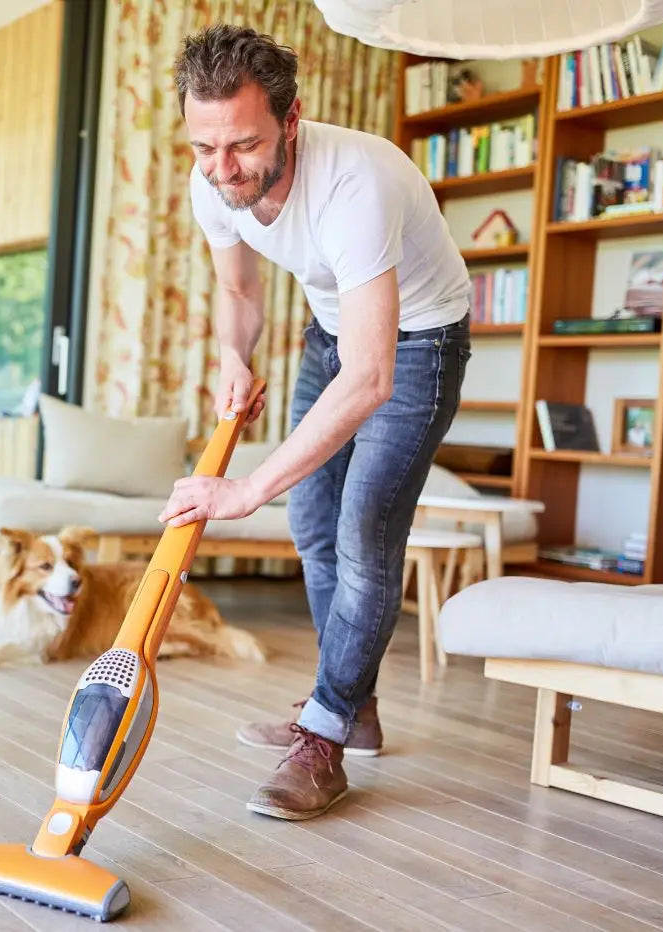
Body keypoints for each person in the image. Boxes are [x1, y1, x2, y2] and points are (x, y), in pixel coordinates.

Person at [159, 24, 472, 821]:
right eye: (204, 147)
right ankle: (352, 705)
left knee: (366, 530)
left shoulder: (356, 181)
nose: (223, 169)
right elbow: (238, 292)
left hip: (420, 340)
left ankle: (326, 737)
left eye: (243, 146)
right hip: (330, 332)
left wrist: (243, 490)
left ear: (290, 121)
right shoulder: (214, 180)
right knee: (313, 518)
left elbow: (372, 376)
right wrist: (235, 355)